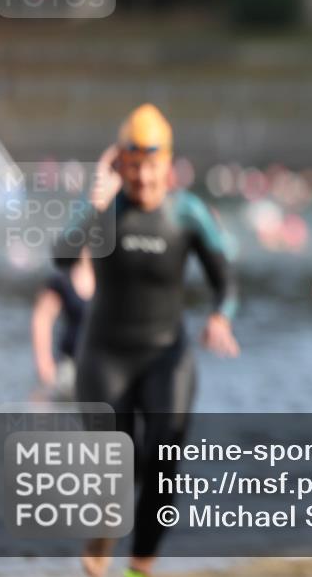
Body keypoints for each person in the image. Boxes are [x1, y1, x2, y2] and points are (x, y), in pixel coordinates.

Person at [55, 103, 240, 577]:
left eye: (151, 165)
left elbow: (226, 281)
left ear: (168, 163)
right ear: (120, 163)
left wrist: (221, 316)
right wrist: (94, 201)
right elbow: (61, 254)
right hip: (104, 356)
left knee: (165, 457)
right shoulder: (103, 209)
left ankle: (140, 568)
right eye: (132, 166)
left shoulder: (188, 212)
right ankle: (99, 544)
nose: (142, 177)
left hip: (166, 356)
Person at [30, 247, 94, 401]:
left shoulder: (115, 281)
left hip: (104, 363)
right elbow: (42, 319)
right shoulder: (62, 281)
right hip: (69, 362)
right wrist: (44, 363)